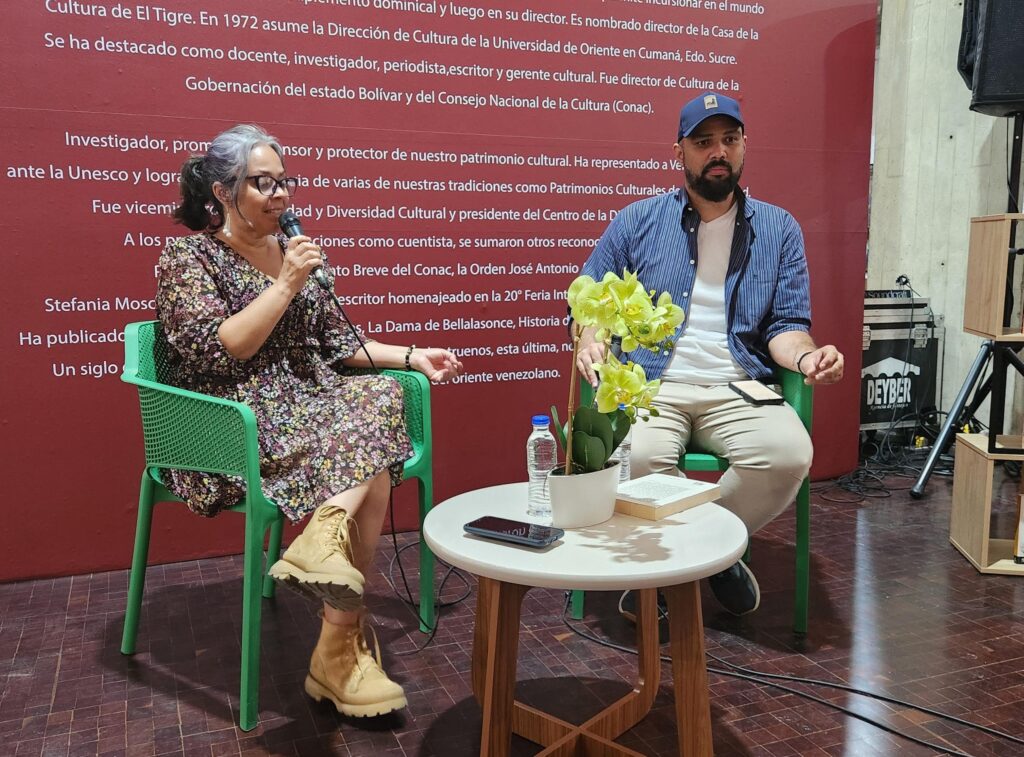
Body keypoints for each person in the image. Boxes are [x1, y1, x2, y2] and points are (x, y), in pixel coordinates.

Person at [157, 124, 463, 718]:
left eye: (284, 182)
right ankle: (337, 652)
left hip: (305, 409)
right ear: (222, 192)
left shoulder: (294, 250)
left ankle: (323, 551)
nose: (281, 197)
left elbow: (336, 344)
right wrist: (287, 281)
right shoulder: (188, 257)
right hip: (230, 421)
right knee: (371, 466)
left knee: (380, 397)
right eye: (262, 184)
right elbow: (229, 348)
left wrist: (412, 356)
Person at [577, 93, 844, 618]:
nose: (718, 151)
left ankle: (694, 557)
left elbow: (787, 327)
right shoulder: (637, 221)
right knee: (641, 460)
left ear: (744, 145)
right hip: (653, 385)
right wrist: (590, 337)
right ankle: (715, 556)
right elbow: (588, 297)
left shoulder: (779, 228)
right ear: (679, 151)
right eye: (703, 142)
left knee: (789, 454)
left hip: (739, 385)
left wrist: (809, 358)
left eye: (729, 139)